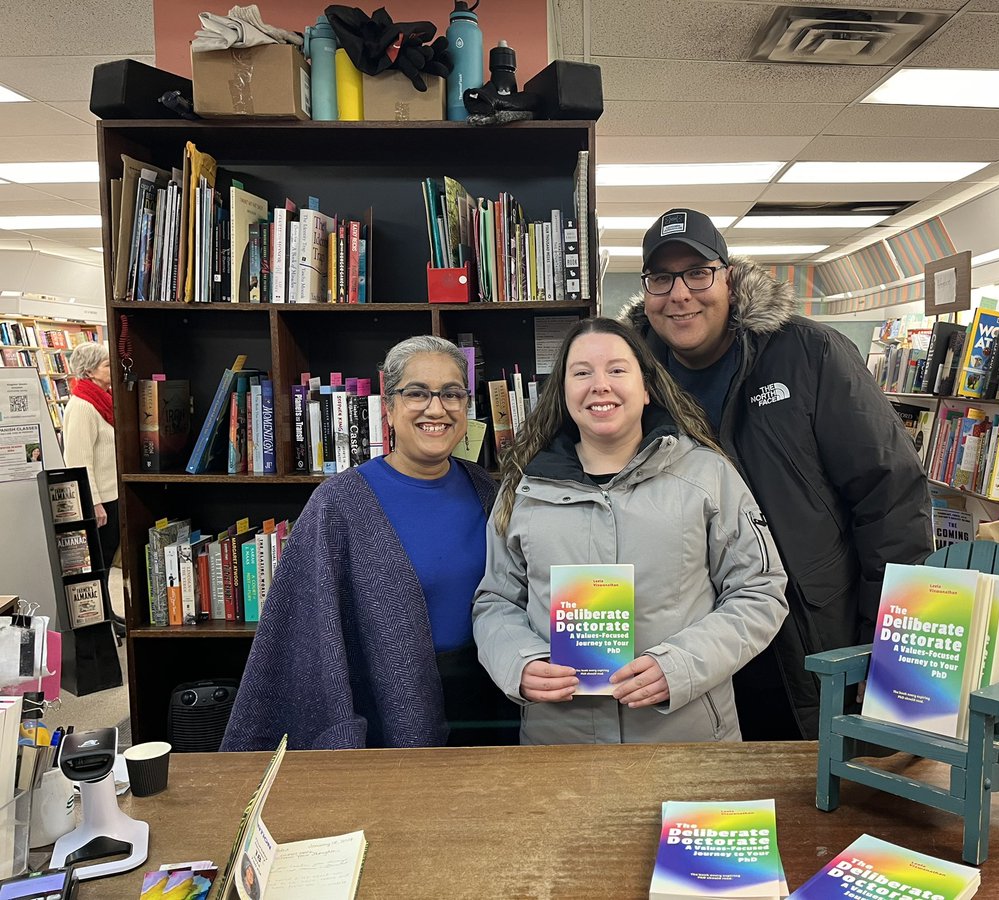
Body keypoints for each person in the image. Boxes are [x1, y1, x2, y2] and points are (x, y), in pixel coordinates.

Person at [622, 208, 933, 741]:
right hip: (686, 643)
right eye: (661, 278)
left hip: (808, 629)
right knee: (708, 800)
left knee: (810, 795)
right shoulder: (630, 376)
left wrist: (890, 649)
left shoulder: (810, 354)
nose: (680, 294)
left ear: (728, 275)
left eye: (698, 273)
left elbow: (891, 500)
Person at [472, 318, 789, 744]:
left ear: (647, 387)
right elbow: (496, 600)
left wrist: (680, 666)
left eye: (617, 370)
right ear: (563, 392)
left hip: (686, 736)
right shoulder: (524, 489)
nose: (599, 385)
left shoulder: (708, 477)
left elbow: (760, 591)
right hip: (559, 740)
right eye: (581, 372)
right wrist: (519, 662)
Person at [222, 336, 513, 751]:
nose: (437, 408)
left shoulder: (487, 488)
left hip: (491, 697)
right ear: (388, 408)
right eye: (417, 393)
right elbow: (302, 628)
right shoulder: (338, 503)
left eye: (452, 394)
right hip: (390, 709)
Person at [63, 343, 118, 568]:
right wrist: (93, 502)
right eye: (106, 365)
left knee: (106, 556)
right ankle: (103, 604)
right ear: (89, 372)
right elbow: (78, 461)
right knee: (98, 561)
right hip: (100, 500)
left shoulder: (106, 400)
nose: (112, 368)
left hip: (113, 495)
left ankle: (107, 604)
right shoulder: (82, 407)